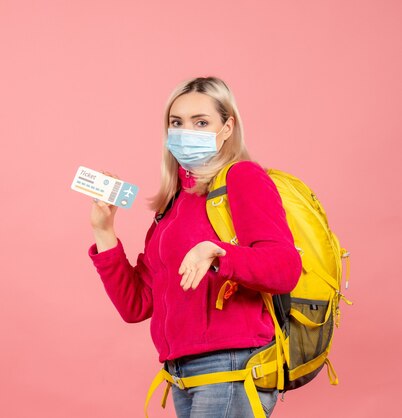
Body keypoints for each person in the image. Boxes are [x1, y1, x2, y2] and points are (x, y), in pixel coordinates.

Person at [87, 76, 302, 418]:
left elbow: (285, 267)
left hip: (230, 365)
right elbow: (136, 305)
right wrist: (104, 232)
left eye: (201, 122)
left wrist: (218, 253)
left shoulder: (242, 177)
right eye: (177, 123)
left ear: (227, 127)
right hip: (181, 374)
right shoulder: (171, 206)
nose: (186, 131)